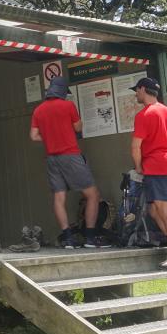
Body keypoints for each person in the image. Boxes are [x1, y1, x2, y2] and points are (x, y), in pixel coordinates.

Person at [29, 77, 106, 248]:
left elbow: (33, 136)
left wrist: (49, 137)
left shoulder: (38, 110)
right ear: (63, 92)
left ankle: (68, 238)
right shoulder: (68, 106)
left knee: (59, 197)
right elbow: (78, 127)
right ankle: (90, 238)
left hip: (52, 159)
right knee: (92, 195)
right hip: (70, 155)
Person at [130, 77, 167, 268]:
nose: (136, 94)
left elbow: (136, 146)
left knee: (165, 211)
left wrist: (138, 167)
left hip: (156, 166)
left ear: (143, 89)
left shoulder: (144, 115)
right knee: (154, 210)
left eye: (136, 91)